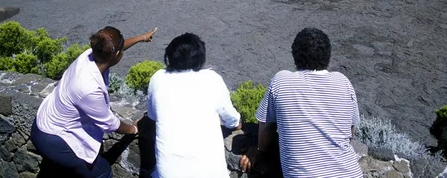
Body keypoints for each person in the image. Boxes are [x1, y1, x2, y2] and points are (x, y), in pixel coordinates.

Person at [31, 25, 157, 178]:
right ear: (117, 54)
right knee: (102, 172)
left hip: (42, 124)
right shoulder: (89, 87)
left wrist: (141, 37)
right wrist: (134, 129)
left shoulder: (89, 56)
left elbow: (116, 47)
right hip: (54, 140)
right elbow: (109, 123)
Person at [240, 27, 362, 178]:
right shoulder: (343, 82)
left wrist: (259, 151)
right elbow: (350, 132)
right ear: (328, 56)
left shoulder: (282, 81)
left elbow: (266, 126)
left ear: (295, 55)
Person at [147, 33, 242, 178]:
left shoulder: (158, 78)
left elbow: (153, 116)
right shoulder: (212, 80)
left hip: (169, 173)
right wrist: (238, 123)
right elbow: (232, 121)